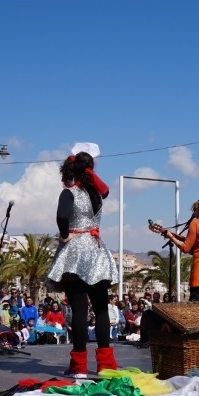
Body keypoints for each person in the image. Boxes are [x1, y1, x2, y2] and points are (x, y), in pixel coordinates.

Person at [46, 144, 120, 378]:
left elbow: (61, 215)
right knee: (101, 311)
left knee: (78, 312)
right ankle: (106, 364)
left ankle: (79, 367)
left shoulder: (70, 193)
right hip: (97, 251)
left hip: (76, 252)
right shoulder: (97, 194)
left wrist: (65, 233)